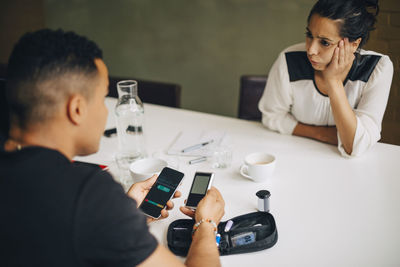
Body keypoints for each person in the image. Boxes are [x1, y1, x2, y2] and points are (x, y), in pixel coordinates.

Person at [0, 29, 225, 267]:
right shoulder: (88, 194)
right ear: (76, 109)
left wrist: (121, 219)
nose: (106, 111)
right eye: (103, 98)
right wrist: (206, 224)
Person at [258, 0, 393, 157]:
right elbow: (271, 116)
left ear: (354, 45)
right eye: (309, 35)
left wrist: (333, 82)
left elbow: (354, 146)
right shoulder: (289, 59)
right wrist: (323, 134)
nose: (311, 50)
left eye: (324, 42)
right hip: (295, 154)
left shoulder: (377, 68)